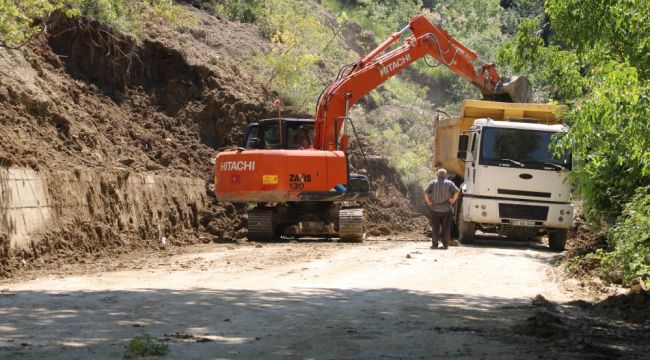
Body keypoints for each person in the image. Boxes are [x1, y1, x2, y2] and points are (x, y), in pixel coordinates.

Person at [423, 168, 459, 249]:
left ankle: (434, 245)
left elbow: (425, 192)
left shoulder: (432, 183)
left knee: (435, 227)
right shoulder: (450, 183)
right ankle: (445, 245)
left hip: (434, 208)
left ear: (437, 175)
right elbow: (457, 191)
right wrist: (453, 201)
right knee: (446, 227)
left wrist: (429, 203)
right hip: (446, 209)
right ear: (446, 176)